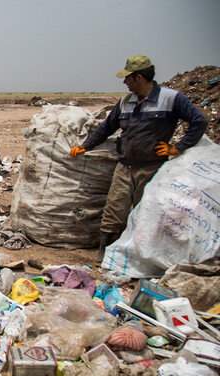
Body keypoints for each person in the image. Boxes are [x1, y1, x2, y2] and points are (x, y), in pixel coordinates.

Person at [70, 55, 208, 255]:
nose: (124, 82)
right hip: (125, 167)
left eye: (128, 78)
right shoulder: (125, 102)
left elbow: (199, 121)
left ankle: (142, 256)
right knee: (113, 213)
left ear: (139, 78)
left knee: (146, 213)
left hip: (152, 169)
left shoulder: (170, 98)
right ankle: (106, 255)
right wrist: (85, 146)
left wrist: (177, 147)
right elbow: (107, 127)